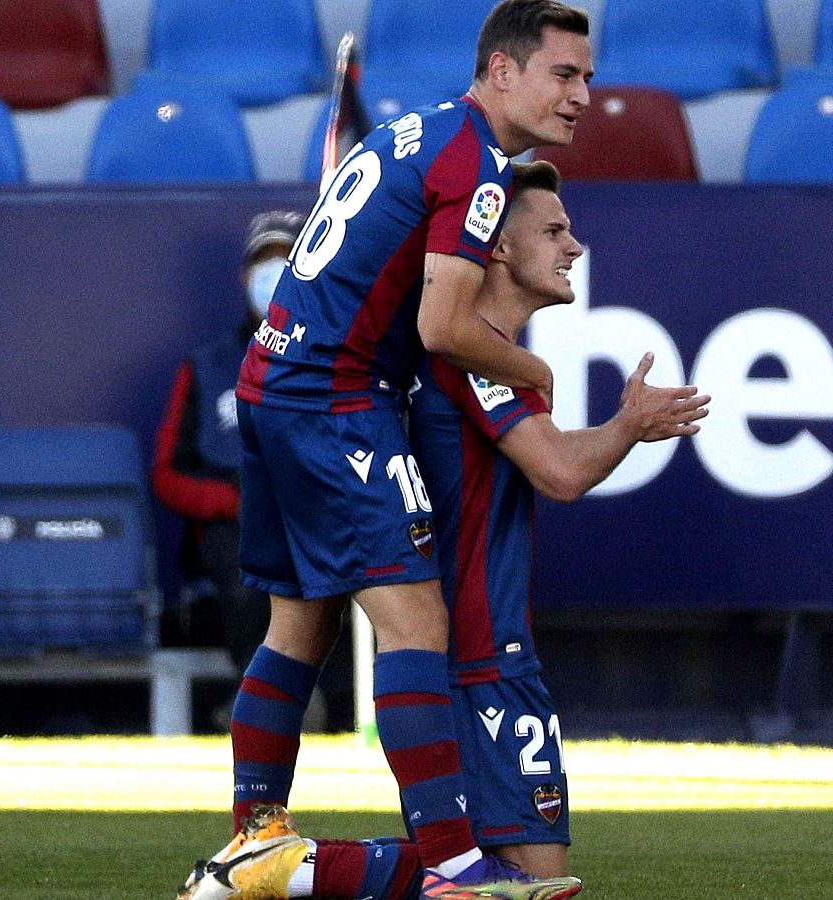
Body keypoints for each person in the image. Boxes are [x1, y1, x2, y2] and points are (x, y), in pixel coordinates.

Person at [177, 162, 708, 900]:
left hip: (479, 649)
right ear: (495, 247)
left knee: (506, 878)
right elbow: (559, 471)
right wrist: (627, 426)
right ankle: (289, 869)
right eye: (554, 230)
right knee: (524, 881)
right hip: (479, 653)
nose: (574, 247)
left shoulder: (455, 354)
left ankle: (280, 862)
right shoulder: (473, 353)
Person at [186, 3, 596, 899]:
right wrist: (534, 369)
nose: (582, 97)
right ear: (502, 72)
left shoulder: (414, 132)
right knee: (417, 624)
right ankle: (451, 866)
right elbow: (443, 324)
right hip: (337, 399)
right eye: (565, 76)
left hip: (270, 383)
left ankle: (256, 837)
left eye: (587, 79)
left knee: (300, 622)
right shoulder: (476, 162)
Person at [152, 211, 304, 674]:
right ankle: (270, 702)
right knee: (247, 582)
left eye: (286, 262)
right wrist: (231, 500)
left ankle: (313, 701)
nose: (272, 277)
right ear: (244, 277)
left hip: (310, 517)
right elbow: (167, 474)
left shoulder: (336, 360)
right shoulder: (204, 368)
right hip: (229, 524)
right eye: (264, 264)